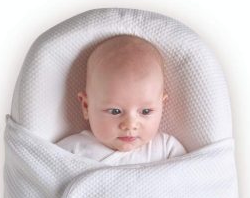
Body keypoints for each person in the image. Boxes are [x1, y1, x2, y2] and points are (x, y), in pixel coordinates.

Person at [56, 34, 186, 165]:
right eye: (115, 111)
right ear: (86, 106)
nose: (130, 125)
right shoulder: (71, 150)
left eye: (145, 111)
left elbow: (191, 175)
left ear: (162, 106)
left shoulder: (167, 149)